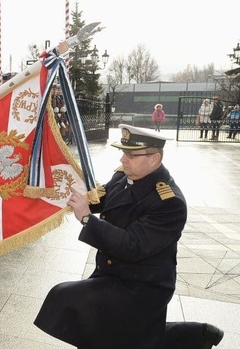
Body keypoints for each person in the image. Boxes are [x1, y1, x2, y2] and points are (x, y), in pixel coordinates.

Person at [34, 124, 225, 349]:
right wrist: (68, 191)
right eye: (124, 152)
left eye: (132, 155)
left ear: (154, 159)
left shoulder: (169, 202)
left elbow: (133, 245)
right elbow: (102, 199)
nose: (124, 159)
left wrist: (87, 219)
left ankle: (194, 335)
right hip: (116, 272)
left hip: (143, 285)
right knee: (127, 337)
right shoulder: (123, 176)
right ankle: (196, 335)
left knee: (68, 299)